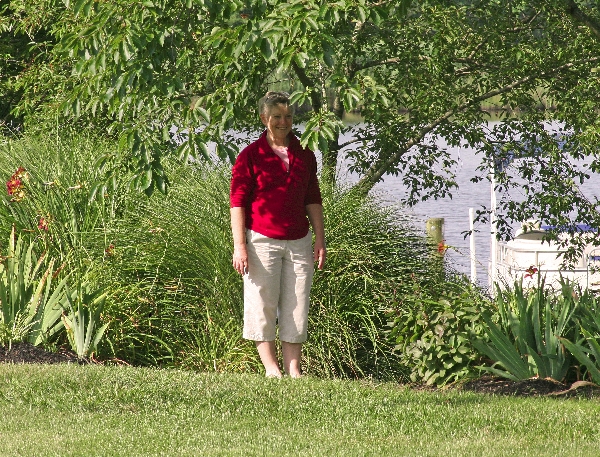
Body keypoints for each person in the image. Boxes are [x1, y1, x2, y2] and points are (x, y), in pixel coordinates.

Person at [230, 91, 326, 378]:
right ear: (264, 119)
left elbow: (313, 198)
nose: (283, 122)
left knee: (297, 303)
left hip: (299, 240)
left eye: (288, 116)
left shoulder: (305, 154)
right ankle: (272, 369)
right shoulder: (250, 156)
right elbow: (237, 202)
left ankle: (294, 369)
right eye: (276, 117)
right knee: (262, 302)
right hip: (261, 239)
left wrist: (320, 239)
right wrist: (240, 246)